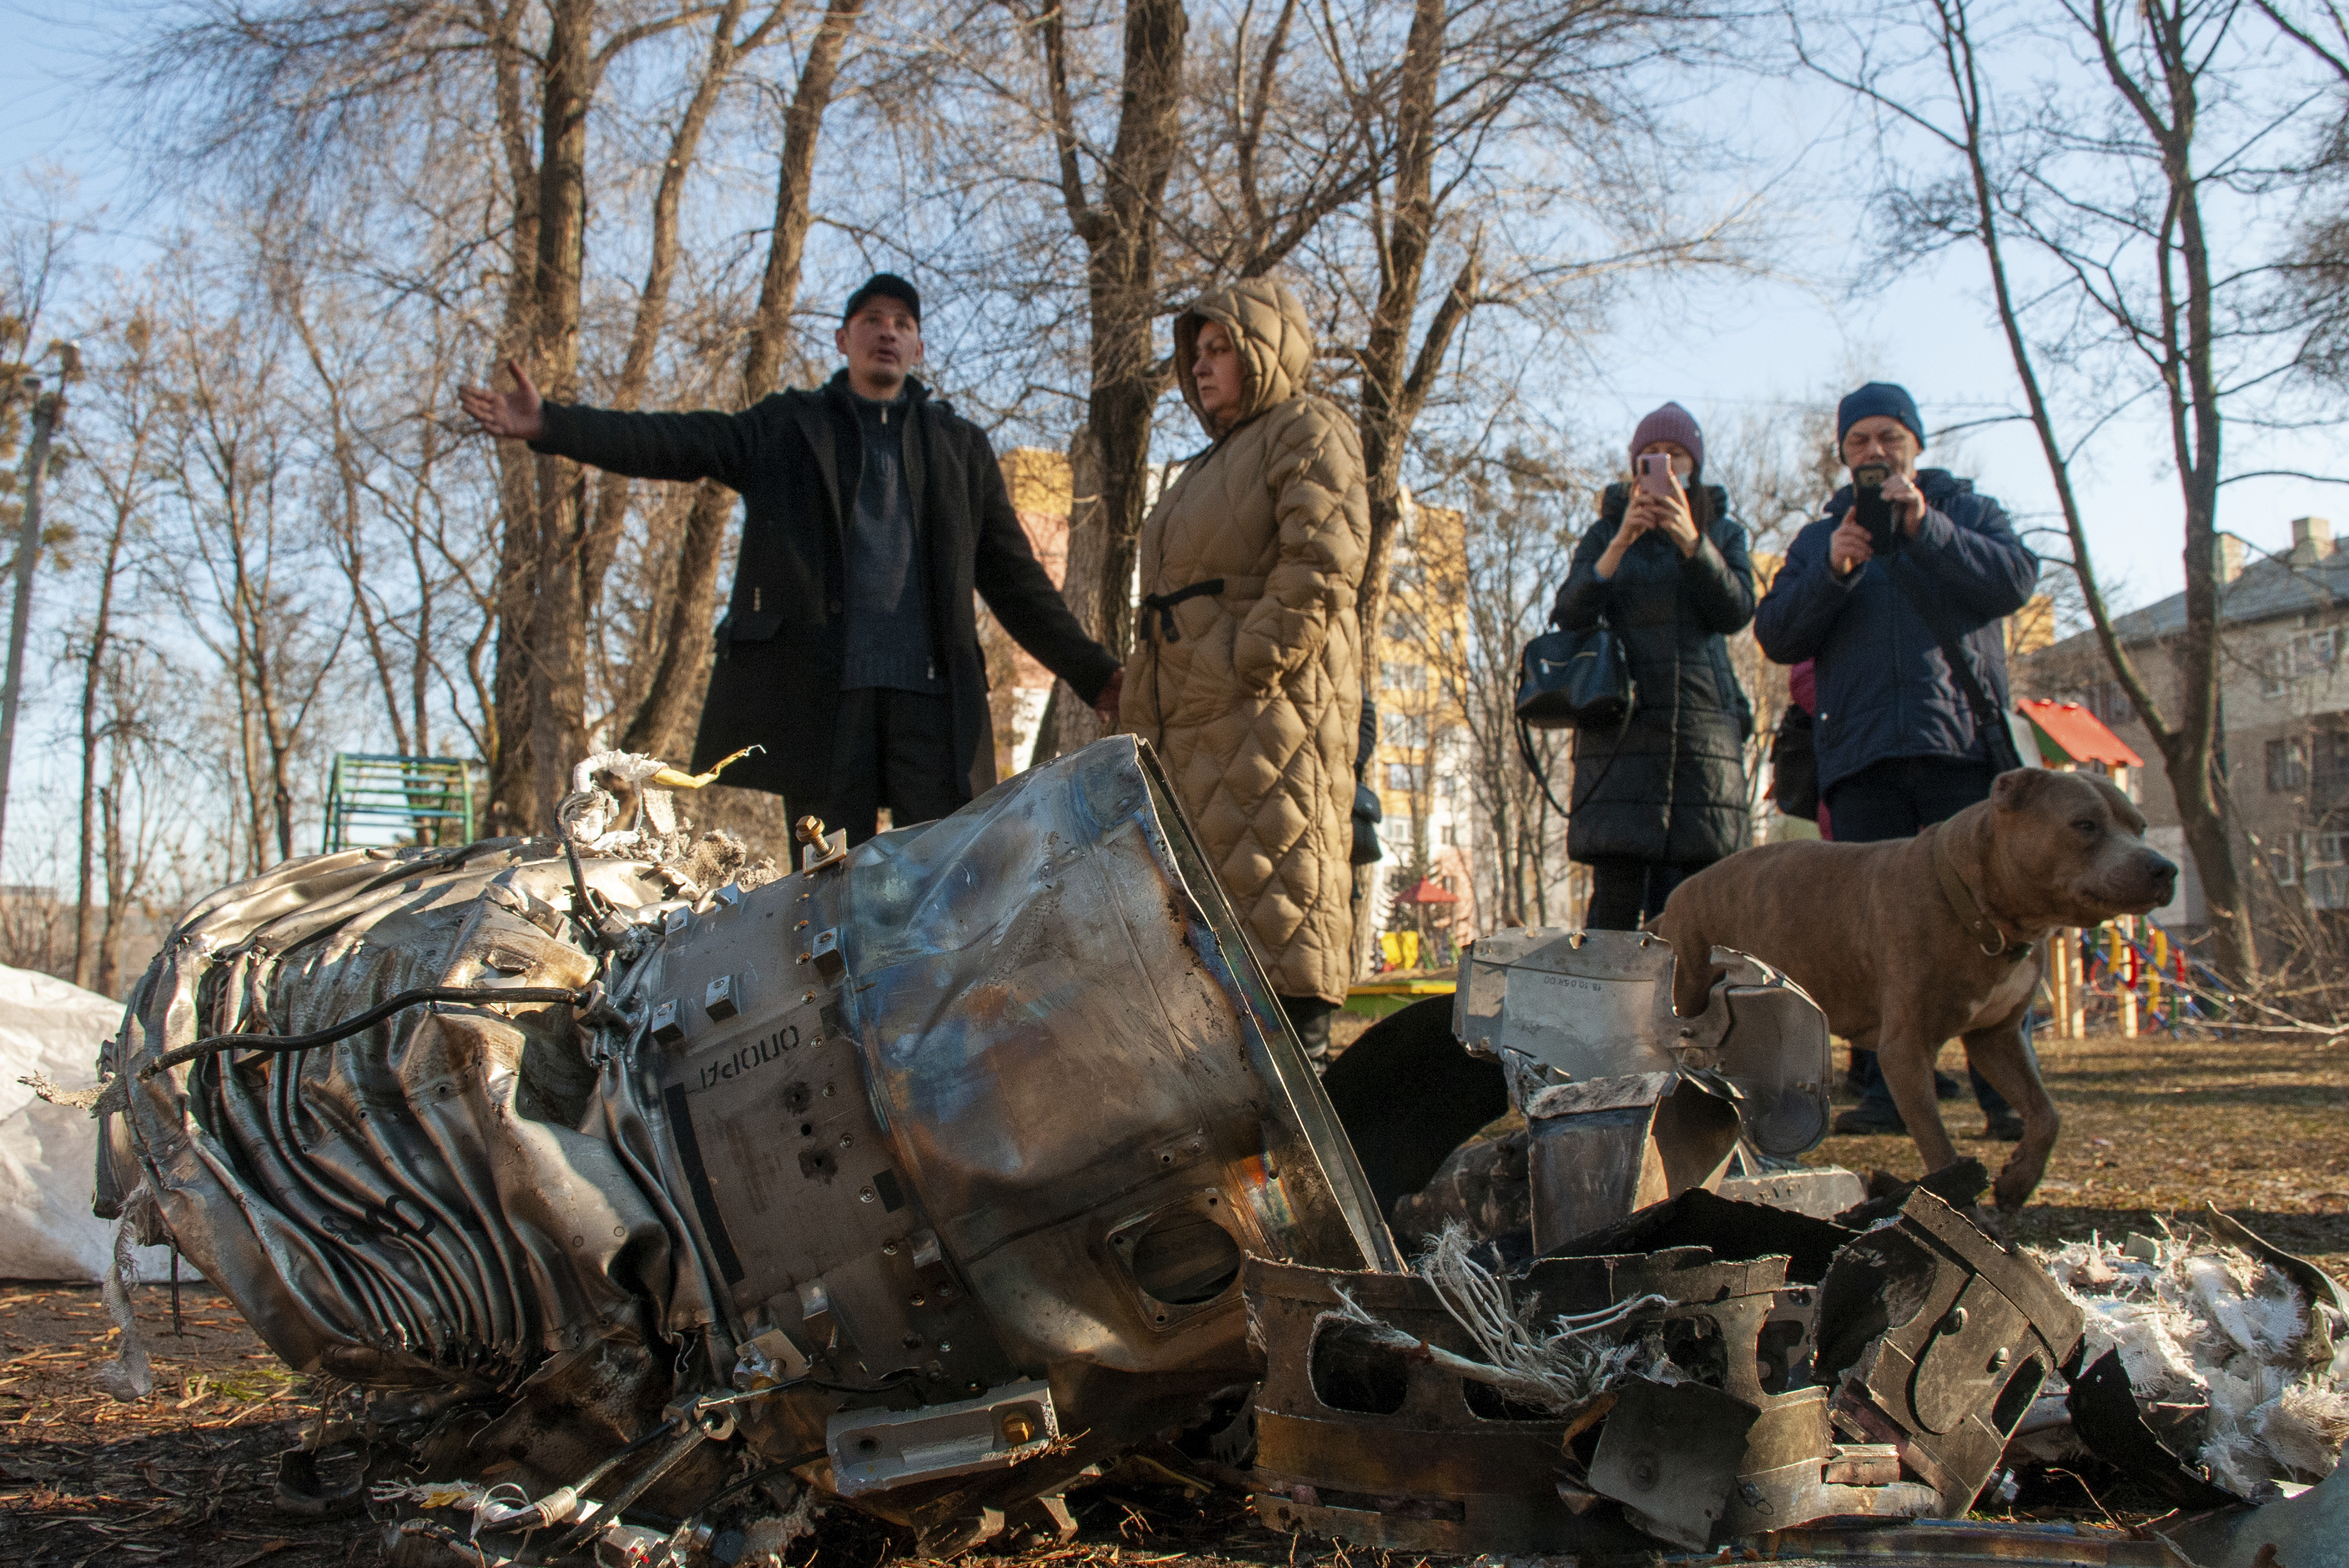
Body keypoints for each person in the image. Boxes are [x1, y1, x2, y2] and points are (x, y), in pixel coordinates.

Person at [459, 273, 1122, 845]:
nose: (886, 333)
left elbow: (1015, 580)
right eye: (870, 321)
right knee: (828, 891)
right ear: (843, 340)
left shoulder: (960, 447)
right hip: (824, 707)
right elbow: (675, 441)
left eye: (901, 323)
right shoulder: (789, 428)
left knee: (947, 888)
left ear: (918, 346)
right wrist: (552, 425)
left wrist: (1094, 675)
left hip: (934, 707)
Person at [1754, 381, 2040, 1138]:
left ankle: (2005, 1092)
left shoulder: (1965, 512)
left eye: (1888, 438)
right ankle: (1883, 1090)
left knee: (1989, 921)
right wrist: (1834, 571)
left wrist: (1925, 527)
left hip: (1960, 752)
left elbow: (2016, 580)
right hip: (1860, 760)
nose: (1874, 453)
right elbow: (1777, 634)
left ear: (1915, 443)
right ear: (1844, 456)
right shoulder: (1821, 537)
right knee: (1867, 928)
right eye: (1859, 443)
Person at [1119, 277, 1369, 1060]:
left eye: (1221, 348)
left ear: (1264, 350)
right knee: (1204, 991)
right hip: (1193, 742)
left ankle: (1320, 1172)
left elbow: (1324, 560)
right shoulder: (1203, 466)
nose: (1201, 366)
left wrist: (1243, 663)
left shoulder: (1308, 425)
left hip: (1268, 734)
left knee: (1280, 943)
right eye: (1196, 352)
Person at [1553, 402, 1757, 931]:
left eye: (1675, 455)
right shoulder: (1605, 533)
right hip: (1620, 740)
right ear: (1633, 466)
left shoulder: (1723, 532)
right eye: (1650, 456)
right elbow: (1570, 613)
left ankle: (1689, 1017)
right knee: (1614, 913)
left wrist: (1692, 540)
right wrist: (1621, 541)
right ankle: (1604, 1016)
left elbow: (1735, 611)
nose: (1663, 463)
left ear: (1694, 465)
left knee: (1696, 915)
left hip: (1700, 743)